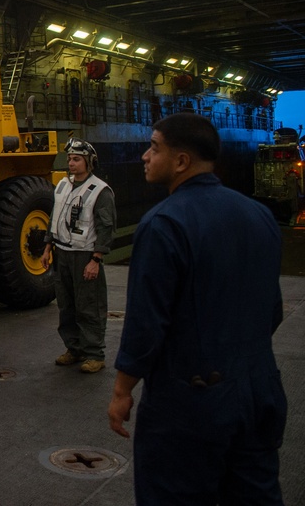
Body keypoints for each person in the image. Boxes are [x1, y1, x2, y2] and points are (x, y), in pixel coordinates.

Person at [108, 114, 287, 504]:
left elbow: (146, 325)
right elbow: (272, 310)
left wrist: (123, 390)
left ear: (181, 161)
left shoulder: (163, 224)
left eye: (154, 147)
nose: (144, 156)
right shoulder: (260, 216)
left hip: (191, 400)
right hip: (260, 391)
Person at [41, 138, 116, 373]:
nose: (71, 163)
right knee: (66, 305)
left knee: (89, 306)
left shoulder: (100, 191)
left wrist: (96, 259)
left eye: (76, 159)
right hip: (61, 252)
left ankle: (95, 354)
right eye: (70, 159)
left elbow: (106, 226)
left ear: (89, 162)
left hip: (84, 256)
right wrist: (47, 247)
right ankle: (74, 349)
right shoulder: (63, 185)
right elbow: (55, 217)